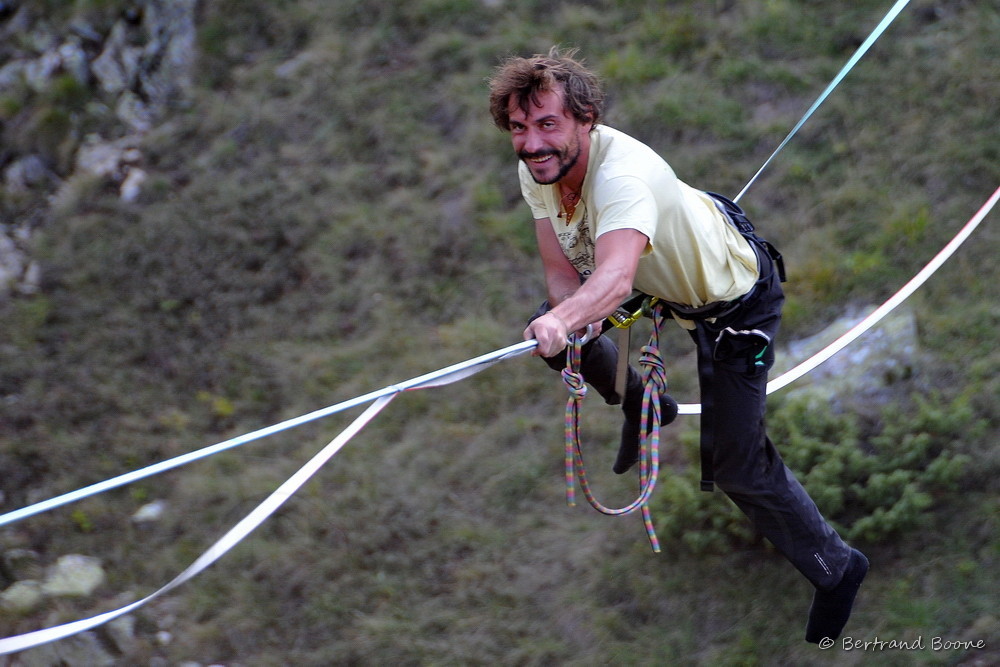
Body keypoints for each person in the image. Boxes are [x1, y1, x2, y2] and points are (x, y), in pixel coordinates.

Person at [487, 46, 868, 644]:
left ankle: (837, 568)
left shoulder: (623, 179)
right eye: (519, 128)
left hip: (736, 301)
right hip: (659, 276)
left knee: (737, 466)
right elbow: (563, 271)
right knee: (553, 324)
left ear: (586, 119)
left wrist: (572, 320)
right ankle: (643, 403)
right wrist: (566, 321)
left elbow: (610, 281)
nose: (532, 142)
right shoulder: (542, 169)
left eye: (547, 124)